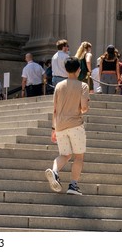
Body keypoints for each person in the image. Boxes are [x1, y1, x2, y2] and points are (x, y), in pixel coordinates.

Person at [45, 57, 89, 196]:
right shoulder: (83, 86)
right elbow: (84, 107)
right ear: (78, 70)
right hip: (75, 124)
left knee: (64, 155)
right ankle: (73, 185)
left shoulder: (59, 86)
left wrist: (53, 128)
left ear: (65, 69)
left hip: (60, 125)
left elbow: (55, 109)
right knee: (79, 157)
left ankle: (55, 172)